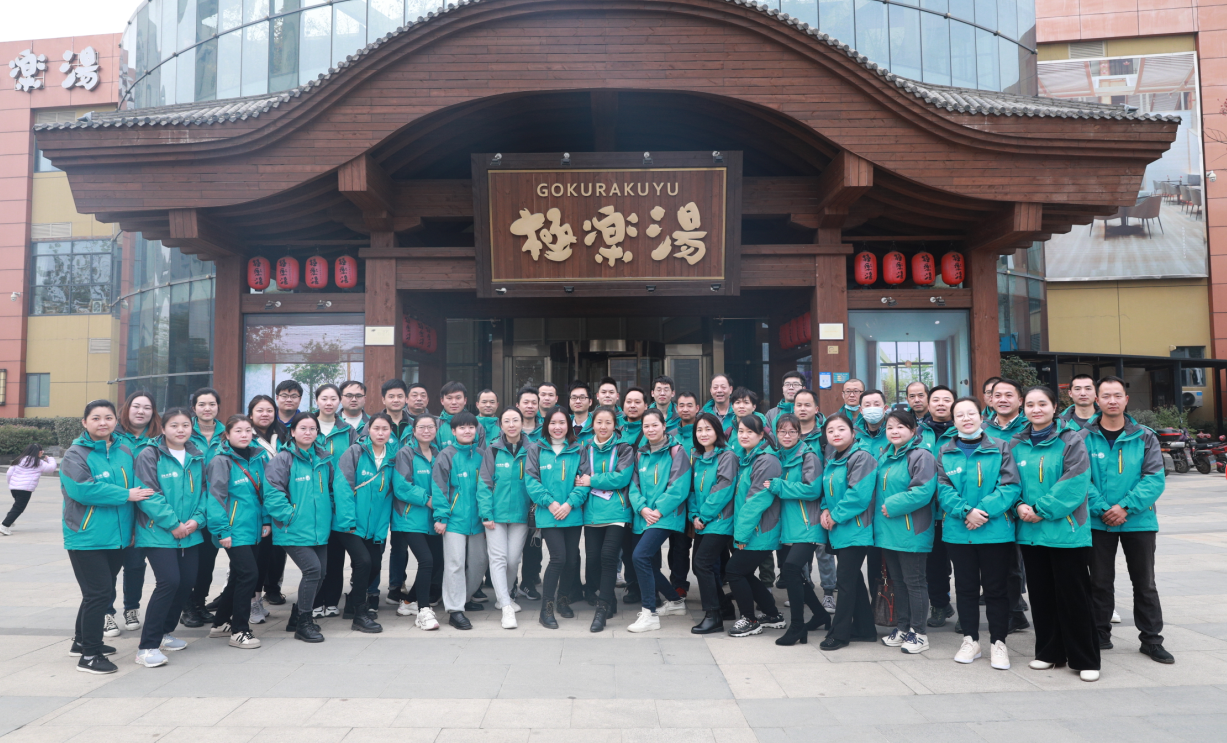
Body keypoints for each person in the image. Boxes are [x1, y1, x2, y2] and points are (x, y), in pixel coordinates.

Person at [1011, 386, 1100, 681]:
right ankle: (1049, 653)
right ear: (1024, 408)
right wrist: (1019, 505)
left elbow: (1075, 481)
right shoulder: (1016, 443)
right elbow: (1008, 481)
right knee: (1041, 595)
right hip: (1031, 533)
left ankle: (1085, 658)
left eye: (1042, 404)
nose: (1036, 409)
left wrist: (1039, 508)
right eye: (1031, 405)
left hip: (1066, 532)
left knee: (1074, 596)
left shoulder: (1071, 439)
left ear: (1054, 407)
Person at [1083, 376, 1173, 664]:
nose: (1112, 400)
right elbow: (1080, 478)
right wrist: (1102, 508)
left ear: (1126, 400)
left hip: (1139, 521)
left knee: (1144, 582)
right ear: (1097, 400)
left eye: (1117, 395)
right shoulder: (1082, 437)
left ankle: (1151, 640)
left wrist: (1124, 507)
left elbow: (1154, 479)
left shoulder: (1145, 436)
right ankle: (1099, 635)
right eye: (1106, 395)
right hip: (1098, 522)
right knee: (1099, 581)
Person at [62, 400, 152, 675]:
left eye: (108, 417)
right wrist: (125, 494)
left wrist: (135, 529)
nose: (103, 423)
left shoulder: (125, 449)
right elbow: (82, 490)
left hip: (119, 537)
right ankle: (89, 655)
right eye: (96, 418)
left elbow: (139, 486)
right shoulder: (75, 454)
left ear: (115, 420)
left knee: (97, 593)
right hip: (87, 537)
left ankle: (80, 642)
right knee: (99, 594)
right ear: (84, 422)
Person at [936, 397, 1021, 670]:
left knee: (996, 590)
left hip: (995, 531)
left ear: (980, 416)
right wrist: (965, 512)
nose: (966, 418)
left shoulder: (1000, 447)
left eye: (970, 413)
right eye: (959, 414)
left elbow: (1009, 485)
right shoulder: (945, 451)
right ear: (954, 419)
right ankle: (971, 640)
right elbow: (942, 488)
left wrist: (981, 512)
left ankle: (998, 643)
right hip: (959, 533)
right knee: (965, 588)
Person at [131, 407, 206, 668]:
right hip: (157, 532)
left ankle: (165, 633)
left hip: (190, 533)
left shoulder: (197, 455)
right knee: (169, 582)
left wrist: (197, 520)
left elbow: (206, 493)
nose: (180, 430)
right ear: (163, 429)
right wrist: (173, 524)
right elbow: (147, 493)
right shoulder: (149, 455)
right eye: (174, 425)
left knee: (186, 583)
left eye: (185, 425)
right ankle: (146, 647)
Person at [317, 413, 394, 633]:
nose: (380, 433)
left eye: (385, 429)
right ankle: (360, 614)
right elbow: (343, 487)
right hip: (347, 524)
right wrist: (348, 520)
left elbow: (387, 495)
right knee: (363, 562)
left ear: (390, 432)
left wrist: (381, 529)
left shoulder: (392, 457)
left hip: (373, 526)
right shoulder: (355, 452)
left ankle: (352, 603)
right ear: (368, 430)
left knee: (375, 564)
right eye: (376, 428)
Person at [264, 412, 335, 643]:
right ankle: (304, 623)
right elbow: (273, 491)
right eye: (302, 428)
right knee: (313, 570)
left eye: (312, 429)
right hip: (293, 529)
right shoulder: (283, 459)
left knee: (321, 573)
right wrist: (289, 516)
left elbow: (332, 490)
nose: (308, 432)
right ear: (292, 432)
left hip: (319, 529)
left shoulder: (324, 458)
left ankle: (297, 615)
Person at [875, 409, 938, 655]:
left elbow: (923, 491)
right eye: (890, 427)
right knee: (898, 582)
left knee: (914, 582)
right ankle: (902, 628)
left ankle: (919, 633)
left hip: (912, 529)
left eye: (901, 426)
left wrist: (892, 505)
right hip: (888, 530)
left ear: (913, 430)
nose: (894, 431)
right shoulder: (885, 456)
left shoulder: (921, 455)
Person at [204, 414, 269, 650]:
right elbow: (215, 497)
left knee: (240, 576)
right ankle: (240, 630)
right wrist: (222, 530)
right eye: (238, 431)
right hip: (233, 530)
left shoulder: (258, 457)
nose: (244, 435)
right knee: (249, 575)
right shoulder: (220, 461)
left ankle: (220, 623)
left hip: (254, 528)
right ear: (228, 435)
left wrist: (267, 520)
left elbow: (265, 493)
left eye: (248, 430)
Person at [626, 408, 692, 633]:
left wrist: (658, 510)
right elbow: (632, 486)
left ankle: (649, 614)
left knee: (640, 556)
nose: (651, 429)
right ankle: (674, 601)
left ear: (664, 426)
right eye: (646, 426)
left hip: (666, 517)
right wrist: (643, 508)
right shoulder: (640, 453)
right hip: (644, 516)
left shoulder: (676, 451)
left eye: (655, 425)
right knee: (646, 562)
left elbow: (679, 487)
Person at [770, 413, 831, 646]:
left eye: (792, 431)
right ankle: (820, 614)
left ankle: (797, 626)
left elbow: (812, 490)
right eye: (782, 431)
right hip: (786, 527)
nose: (787, 436)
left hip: (808, 525)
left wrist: (779, 486)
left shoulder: (809, 456)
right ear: (776, 433)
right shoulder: (777, 457)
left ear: (799, 433)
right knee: (793, 574)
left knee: (792, 568)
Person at [818, 414, 877, 650]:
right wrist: (824, 509)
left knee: (844, 581)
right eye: (830, 430)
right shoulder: (833, 457)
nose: (835, 434)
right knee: (853, 579)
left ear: (853, 433)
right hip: (840, 528)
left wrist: (834, 515)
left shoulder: (861, 457)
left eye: (841, 429)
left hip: (856, 529)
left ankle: (840, 634)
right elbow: (828, 489)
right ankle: (865, 629)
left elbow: (858, 495)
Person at [723, 414, 785, 637]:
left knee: (734, 571)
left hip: (760, 531)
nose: (744, 435)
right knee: (745, 572)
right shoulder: (748, 458)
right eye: (741, 431)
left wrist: (740, 536)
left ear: (761, 435)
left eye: (750, 432)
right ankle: (772, 614)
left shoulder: (766, 460)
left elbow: (757, 502)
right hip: (753, 530)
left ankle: (749, 619)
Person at [527, 407, 589, 628]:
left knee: (572, 560)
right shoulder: (536, 449)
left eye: (562, 422)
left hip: (572, 514)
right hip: (549, 514)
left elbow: (584, 482)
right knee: (558, 558)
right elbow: (531, 482)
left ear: (569, 425)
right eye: (553, 423)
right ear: (546, 425)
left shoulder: (578, 450)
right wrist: (552, 503)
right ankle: (547, 608)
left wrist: (569, 503)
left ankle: (563, 600)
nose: (557, 427)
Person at [576, 405, 635, 632]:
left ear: (615, 425)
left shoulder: (624, 448)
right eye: (599, 422)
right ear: (593, 424)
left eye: (608, 423)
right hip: (591, 512)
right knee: (593, 559)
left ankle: (602, 608)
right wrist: (587, 480)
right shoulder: (585, 448)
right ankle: (608, 598)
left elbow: (621, 478)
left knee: (609, 556)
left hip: (616, 512)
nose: (603, 427)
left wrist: (592, 480)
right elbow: (580, 477)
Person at [431, 410, 488, 630]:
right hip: (454, 520)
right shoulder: (446, 455)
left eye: (471, 427)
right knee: (454, 564)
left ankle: (464, 597)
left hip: (479, 521)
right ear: (453, 431)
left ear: (477, 430)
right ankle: (455, 610)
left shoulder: (483, 454)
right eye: (462, 427)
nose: (467, 431)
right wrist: (442, 516)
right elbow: (439, 487)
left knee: (480, 561)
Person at [477, 407, 533, 629]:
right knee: (498, 558)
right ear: (501, 425)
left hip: (520, 514)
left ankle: (506, 596)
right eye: (507, 421)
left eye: (515, 420)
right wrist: (486, 514)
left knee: (513, 559)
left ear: (522, 423)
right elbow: (484, 484)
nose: (511, 424)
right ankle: (506, 606)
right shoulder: (492, 451)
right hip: (496, 516)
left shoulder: (533, 449)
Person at [983, 378, 1031, 634]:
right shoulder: (982, 429)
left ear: (1019, 400)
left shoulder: (1032, 425)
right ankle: (1012, 612)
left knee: (1024, 564)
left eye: (1008, 395)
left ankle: (1017, 609)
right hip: (997, 505)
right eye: (997, 394)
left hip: (1028, 505)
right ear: (990, 399)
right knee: (1004, 563)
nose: (1002, 399)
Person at [688, 412, 738, 634]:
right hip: (702, 521)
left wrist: (703, 516)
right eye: (699, 430)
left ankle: (713, 616)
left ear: (717, 431)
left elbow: (723, 489)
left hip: (720, 521)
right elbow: (691, 491)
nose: (703, 433)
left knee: (702, 563)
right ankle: (725, 607)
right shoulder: (698, 458)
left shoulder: (727, 455)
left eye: (708, 429)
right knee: (699, 566)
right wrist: (694, 515)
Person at [391, 414, 442, 630]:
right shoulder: (405, 453)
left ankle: (408, 603)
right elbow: (402, 487)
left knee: (438, 562)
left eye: (431, 427)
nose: (427, 430)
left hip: (433, 519)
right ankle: (423, 611)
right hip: (410, 518)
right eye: (422, 427)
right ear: (413, 430)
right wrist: (428, 500)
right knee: (427, 560)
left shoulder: (438, 453)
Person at [182, 387, 224, 629]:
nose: (207, 408)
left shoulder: (226, 433)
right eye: (202, 404)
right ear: (194, 408)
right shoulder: (185, 431)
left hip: (216, 506)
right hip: (190, 506)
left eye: (211, 404)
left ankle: (199, 603)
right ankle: (186, 606)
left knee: (208, 562)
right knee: (190, 563)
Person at [793, 389, 836, 613]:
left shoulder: (823, 436)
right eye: (798, 404)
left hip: (820, 499)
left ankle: (829, 593)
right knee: (800, 548)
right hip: (797, 501)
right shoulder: (789, 433)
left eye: (807, 405)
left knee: (823, 551)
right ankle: (805, 588)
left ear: (816, 409)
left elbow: (831, 468)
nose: (802, 408)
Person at [920, 385, 957, 629]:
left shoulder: (963, 429)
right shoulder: (917, 432)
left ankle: (967, 610)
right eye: (936, 400)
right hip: (928, 511)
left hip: (956, 510)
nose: (941, 404)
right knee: (933, 563)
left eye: (947, 399)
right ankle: (940, 604)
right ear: (928, 404)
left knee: (964, 565)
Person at [248, 394, 288, 610]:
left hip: (280, 501)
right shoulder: (246, 434)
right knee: (258, 554)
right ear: (251, 413)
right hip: (255, 503)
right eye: (260, 410)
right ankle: (254, 600)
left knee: (277, 551)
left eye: (269, 410)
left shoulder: (283, 434)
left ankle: (272, 588)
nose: (265, 414)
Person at [515, 386, 544, 600]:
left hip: (538, 497)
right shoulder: (509, 429)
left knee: (534, 543)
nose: (530, 406)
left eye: (534, 402)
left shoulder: (545, 431)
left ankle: (528, 581)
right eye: (526, 402)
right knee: (512, 546)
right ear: (518, 405)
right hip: (513, 495)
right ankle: (509, 583)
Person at [3, 443, 56, 535]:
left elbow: (9, 473)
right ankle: (4, 526)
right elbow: (51, 468)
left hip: (14, 488)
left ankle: (9, 521)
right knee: (18, 508)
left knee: (16, 506)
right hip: (25, 489)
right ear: (39, 452)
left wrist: (11, 484)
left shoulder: (18, 460)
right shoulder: (38, 462)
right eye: (42, 452)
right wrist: (50, 459)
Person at [314, 384, 359, 466]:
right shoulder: (306, 427)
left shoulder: (348, 430)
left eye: (333, 399)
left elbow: (356, 460)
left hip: (339, 478)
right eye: (324, 399)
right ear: (316, 401)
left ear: (340, 401)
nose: (329, 403)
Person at [439, 382, 483, 449]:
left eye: (458, 398)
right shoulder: (435, 426)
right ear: (442, 401)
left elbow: (482, 454)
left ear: (465, 400)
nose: (454, 402)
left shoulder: (477, 426)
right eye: (449, 398)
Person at [854, 389, 889, 458]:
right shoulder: (853, 433)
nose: (872, 408)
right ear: (861, 410)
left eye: (877, 404)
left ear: (885, 408)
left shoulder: (895, 432)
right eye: (867, 405)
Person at [381, 380, 413, 444]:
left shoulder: (414, 424)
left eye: (400, 396)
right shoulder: (372, 425)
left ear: (406, 399)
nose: (396, 400)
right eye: (391, 397)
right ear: (383, 400)